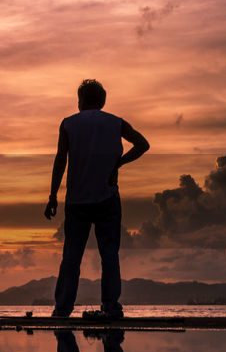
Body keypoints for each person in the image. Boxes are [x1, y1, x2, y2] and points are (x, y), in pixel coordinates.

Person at [44, 79, 149, 319]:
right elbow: (143, 144)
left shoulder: (68, 124)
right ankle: (111, 306)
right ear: (102, 101)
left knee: (71, 256)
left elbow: (61, 160)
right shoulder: (116, 123)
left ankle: (62, 309)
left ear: (80, 101)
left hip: (77, 201)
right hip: (107, 197)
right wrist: (118, 164)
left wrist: (52, 195)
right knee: (109, 254)